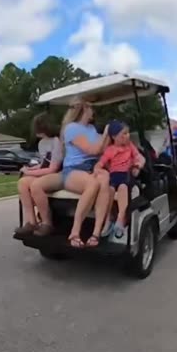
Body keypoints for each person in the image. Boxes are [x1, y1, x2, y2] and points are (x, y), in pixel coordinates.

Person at [28, 100, 113, 248]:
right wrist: (106, 133)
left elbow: (102, 150)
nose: (93, 110)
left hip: (92, 168)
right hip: (74, 169)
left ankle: (97, 232)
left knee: (104, 180)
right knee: (92, 183)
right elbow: (93, 150)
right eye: (91, 107)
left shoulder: (92, 128)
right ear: (84, 109)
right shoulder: (72, 128)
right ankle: (72, 230)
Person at [92, 120, 144, 241]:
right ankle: (108, 219)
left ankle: (121, 218)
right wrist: (97, 169)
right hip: (114, 175)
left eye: (128, 133)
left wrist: (137, 165)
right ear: (114, 137)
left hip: (126, 174)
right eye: (123, 134)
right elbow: (101, 163)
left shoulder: (130, 146)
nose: (127, 136)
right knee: (109, 190)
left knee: (122, 187)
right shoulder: (110, 150)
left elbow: (138, 158)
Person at [12, 112, 62, 238]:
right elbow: (43, 164)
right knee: (22, 182)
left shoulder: (56, 142)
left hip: (58, 173)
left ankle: (47, 222)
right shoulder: (41, 143)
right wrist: (29, 169)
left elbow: (52, 168)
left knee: (35, 184)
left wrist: (30, 172)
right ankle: (31, 221)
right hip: (47, 172)